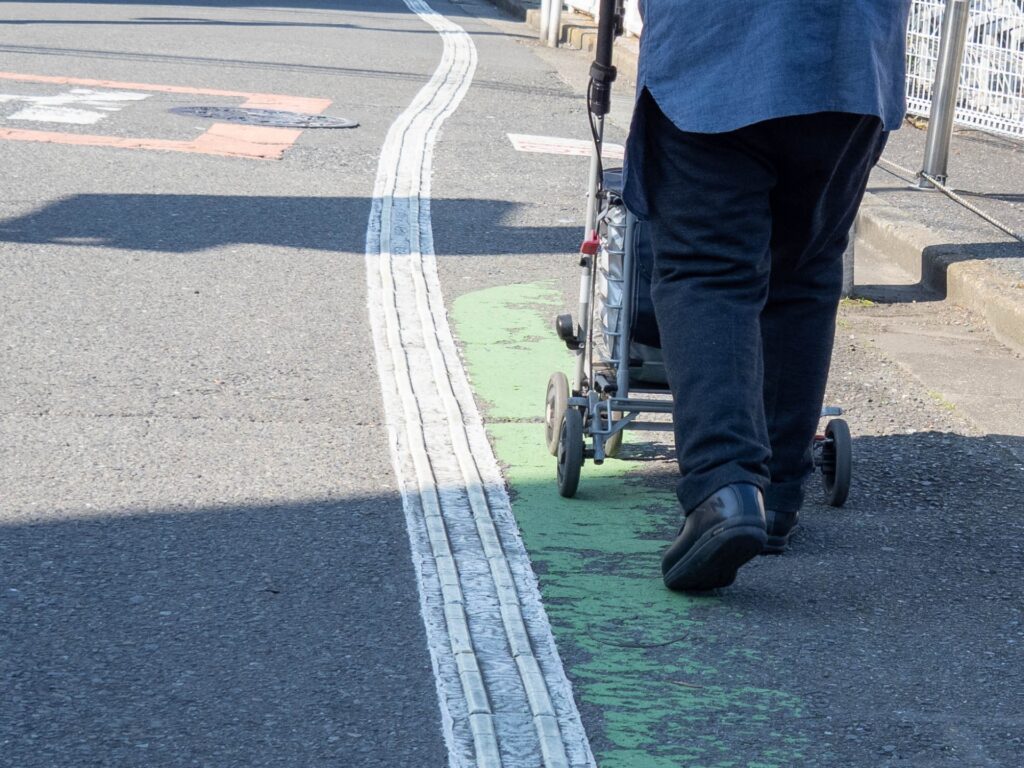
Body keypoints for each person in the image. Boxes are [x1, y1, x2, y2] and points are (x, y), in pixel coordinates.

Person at [621, 1, 912, 591]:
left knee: (707, 269)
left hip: (713, 46)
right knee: (804, 271)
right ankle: (776, 495)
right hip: (849, 52)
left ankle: (726, 489)